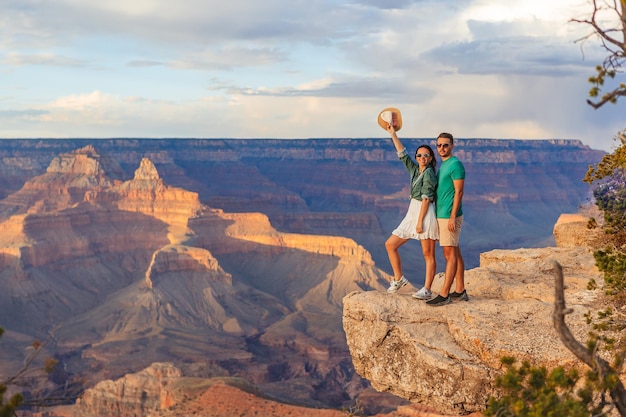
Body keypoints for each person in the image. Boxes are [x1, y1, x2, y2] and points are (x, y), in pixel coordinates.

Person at [384, 122, 439, 298]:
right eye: (420, 155)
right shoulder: (415, 170)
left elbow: (426, 198)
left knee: (428, 253)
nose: (423, 157)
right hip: (412, 212)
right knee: (390, 244)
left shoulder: (429, 173)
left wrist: (419, 222)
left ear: (430, 158)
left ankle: (427, 289)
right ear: (417, 157)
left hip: (425, 212)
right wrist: (393, 134)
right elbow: (402, 154)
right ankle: (399, 279)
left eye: (426, 155)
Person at [426, 132, 468, 306]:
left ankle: (445, 294)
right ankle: (460, 290)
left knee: (448, 254)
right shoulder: (444, 165)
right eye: (439, 145)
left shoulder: (455, 165)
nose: (442, 148)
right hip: (441, 214)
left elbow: (459, 192)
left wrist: (452, 216)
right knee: (455, 251)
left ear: (452, 146)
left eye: (445, 145)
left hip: (449, 216)